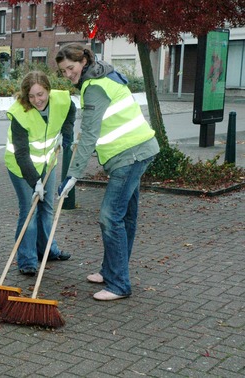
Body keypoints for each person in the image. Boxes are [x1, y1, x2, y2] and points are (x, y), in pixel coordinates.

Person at [56, 44, 160, 301]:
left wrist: (72, 175)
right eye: (63, 71)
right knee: (125, 217)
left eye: (71, 67)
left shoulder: (94, 87)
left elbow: (90, 134)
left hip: (130, 155)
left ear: (83, 61)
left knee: (110, 217)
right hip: (139, 150)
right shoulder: (104, 74)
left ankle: (118, 284)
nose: (68, 74)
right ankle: (111, 271)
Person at [5, 71, 75, 277]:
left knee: (47, 208)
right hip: (21, 167)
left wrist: (66, 132)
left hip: (47, 162)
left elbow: (71, 110)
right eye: (32, 96)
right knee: (30, 210)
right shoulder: (19, 113)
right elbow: (21, 153)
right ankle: (27, 260)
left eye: (41, 94)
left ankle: (48, 251)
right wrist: (34, 182)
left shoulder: (61, 100)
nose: (37, 100)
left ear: (48, 90)